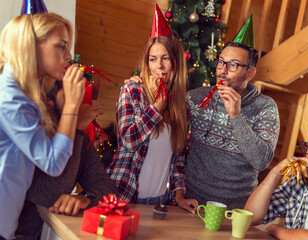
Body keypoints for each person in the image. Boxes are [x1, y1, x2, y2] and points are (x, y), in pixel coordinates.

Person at [125, 15, 280, 210]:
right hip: (190, 204)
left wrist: (236, 117)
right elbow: (165, 113)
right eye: (221, 62)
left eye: (233, 65)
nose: (222, 70)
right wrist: (139, 81)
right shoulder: (194, 98)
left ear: (250, 73)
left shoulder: (265, 107)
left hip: (233, 210)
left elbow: (261, 161)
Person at [0, 13, 85, 239]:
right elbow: (52, 162)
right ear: (31, 47)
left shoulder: (23, 95)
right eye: (61, 46)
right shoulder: (11, 100)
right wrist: (72, 107)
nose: (69, 56)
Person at [106, 4, 198, 213]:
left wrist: (180, 197)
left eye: (165, 58)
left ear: (175, 63)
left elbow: (178, 161)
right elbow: (128, 139)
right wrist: (156, 107)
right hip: (124, 195)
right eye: (153, 59)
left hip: (158, 202)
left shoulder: (181, 107)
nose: (159, 67)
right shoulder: (132, 90)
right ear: (146, 63)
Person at [15, 80, 117, 239]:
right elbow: (48, 195)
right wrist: (75, 129)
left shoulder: (81, 141)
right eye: (70, 95)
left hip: (50, 233)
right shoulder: (33, 130)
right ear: (49, 103)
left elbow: (107, 186)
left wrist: (86, 197)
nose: (78, 100)